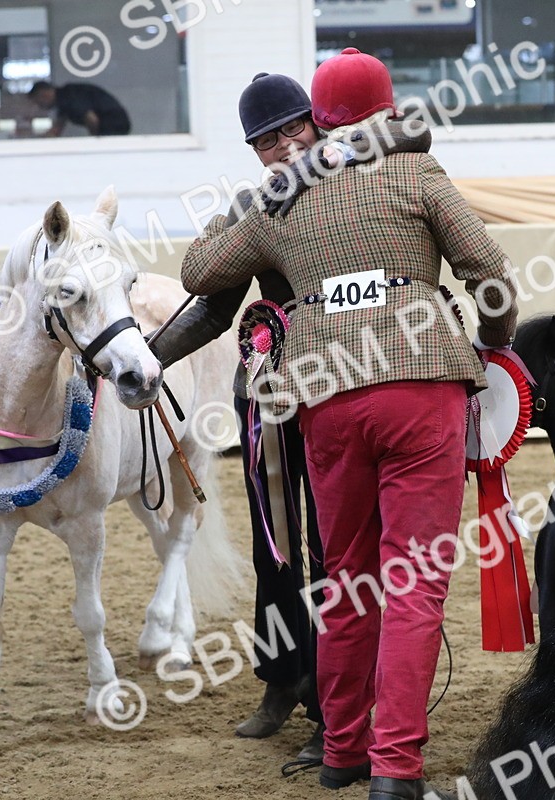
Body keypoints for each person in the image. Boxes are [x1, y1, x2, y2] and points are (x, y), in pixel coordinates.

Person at [182, 48, 517, 800]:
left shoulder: (282, 199)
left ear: (316, 118)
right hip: (421, 387)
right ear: (388, 108)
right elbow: (490, 273)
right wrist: (495, 345)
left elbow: (198, 273)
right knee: (414, 584)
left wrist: (248, 204)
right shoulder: (418, 173)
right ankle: (395, 768)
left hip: (326, 397)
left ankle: (343, 750)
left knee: (347, 580)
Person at [151, 72, 431, 765]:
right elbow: (214, 305)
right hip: (270, 388)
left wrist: (328, 155)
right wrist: (151, 359)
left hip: (343, 384)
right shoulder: (262, 205)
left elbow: (414, 128)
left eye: (292, 130)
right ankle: (283, 676)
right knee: (275, 544)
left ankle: (335, 706)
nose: (282, 148)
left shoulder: (359, 168)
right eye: (265, 141)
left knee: (337, 549)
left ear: (318, 122)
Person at [27, 80, 131, 136]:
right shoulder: (64, 98)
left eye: (39, 102)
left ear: (44, 95)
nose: (40, 106)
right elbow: (57, 128)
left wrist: (95, 139)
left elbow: (91, 119)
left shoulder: (68, 97)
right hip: (116, 122)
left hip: (113, 123)